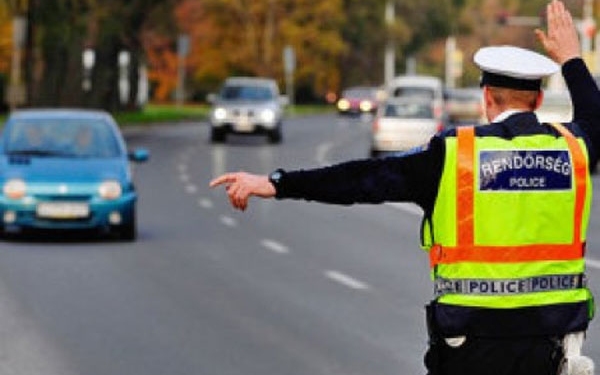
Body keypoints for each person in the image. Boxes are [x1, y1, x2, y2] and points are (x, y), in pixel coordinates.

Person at [210, 1, 597, 374]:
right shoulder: (574, 151)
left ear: (486, 98)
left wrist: (276, 183)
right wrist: (572, 60)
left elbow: (362, 179)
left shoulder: (452, 155)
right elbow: (595, 119)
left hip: (470, 346)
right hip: (552, 344)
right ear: (540, 98)